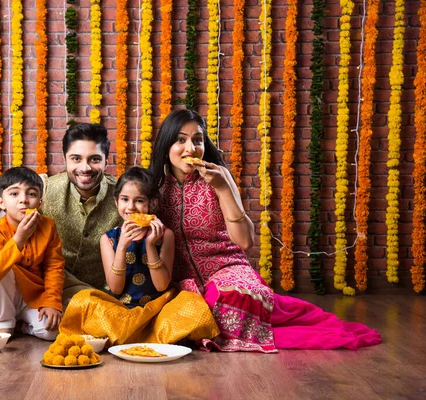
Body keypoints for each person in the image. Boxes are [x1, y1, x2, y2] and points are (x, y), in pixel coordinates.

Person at [147, 109, 381, 352]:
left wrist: (223, 189)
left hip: (226, 269)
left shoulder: (219, 177)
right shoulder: (155, 187)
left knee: (230, 298)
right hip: (181, 279)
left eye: (197, 140)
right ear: (166, 145)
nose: (191, 148)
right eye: (181, 140)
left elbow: (245, 241)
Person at [0, 123, 121, 339]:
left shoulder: (123, 196)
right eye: (76, 158)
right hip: (28, 275)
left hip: (74, 288)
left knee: (79, 325)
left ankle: (24, 321)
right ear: (66, 159)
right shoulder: (47, 186)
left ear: (107, 161)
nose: (85, 168)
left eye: (94, 159)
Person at [60, 167, 219, 344]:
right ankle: (142, 335)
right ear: (116, 202)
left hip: (158, 310)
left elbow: (161, 285)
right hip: (122, 310)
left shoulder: (166, 235)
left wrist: (151, 245)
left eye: (139, 200)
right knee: (83, 300)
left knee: (192, 302)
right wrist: (121, 247)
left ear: (152, 204)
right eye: (125, 199)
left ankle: (140, 334)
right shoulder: (108, 239)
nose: (131, 207)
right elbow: (116, 288)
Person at [0, 167, 63, 339]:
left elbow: (54, 267)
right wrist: (19, 239)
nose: (24, 200)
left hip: (32, 297)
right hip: (0, 297)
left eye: (31, 194)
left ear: (40, 203)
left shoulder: (48, 226)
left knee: (51, 332)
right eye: (14, 194)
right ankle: (5, 323)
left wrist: (52, 302)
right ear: (1, 202)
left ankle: (22, 325)